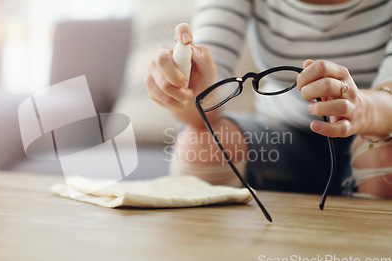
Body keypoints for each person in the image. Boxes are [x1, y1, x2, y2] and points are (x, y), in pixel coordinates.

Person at [145, 0, 392, 198]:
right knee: (198, 147)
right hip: (285, 137)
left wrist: (364, 110)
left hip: (379, 132)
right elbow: (201, 111)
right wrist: (185, 92)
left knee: (383, 158)